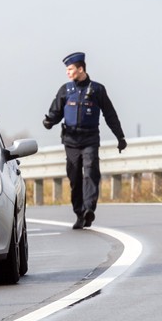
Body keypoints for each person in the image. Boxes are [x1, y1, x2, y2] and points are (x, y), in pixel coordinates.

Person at [43, 52, 126, 230]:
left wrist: (120, 136)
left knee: (90, 173)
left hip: (90, 140)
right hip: (71, 141)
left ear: (81, 69)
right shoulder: (65, 90)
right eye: (67, 69)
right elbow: (56, 112)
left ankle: (89, 209)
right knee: (75, 178)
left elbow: (110, 115)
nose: (68, 72)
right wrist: (49, 121)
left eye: (70, 69)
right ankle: (80, 213)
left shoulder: (97, 90)